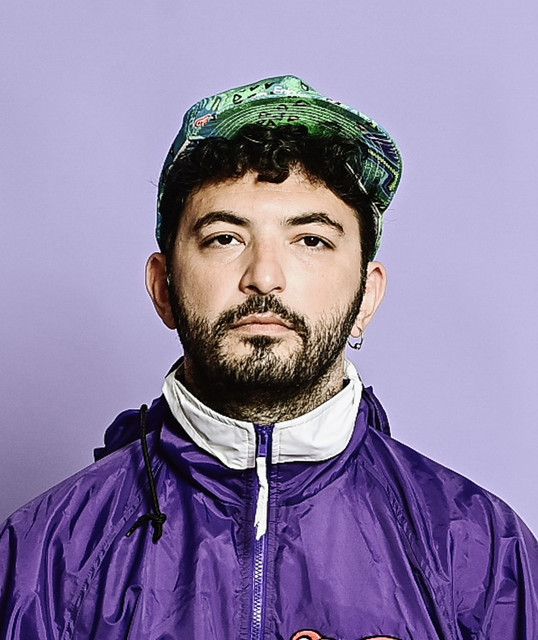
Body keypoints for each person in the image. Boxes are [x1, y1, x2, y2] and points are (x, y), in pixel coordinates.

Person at [0, 75, 536, 640]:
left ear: (366, 297)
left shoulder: (478, 550)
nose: (264, 277)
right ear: (164, 288)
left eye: (311, 240)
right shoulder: (45, 555)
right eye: (224, 238)